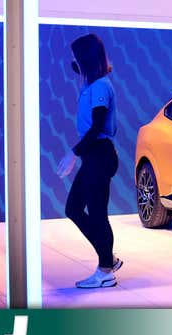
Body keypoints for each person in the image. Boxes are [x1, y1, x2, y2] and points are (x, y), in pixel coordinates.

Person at [57, 34, 122, 288]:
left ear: (85, 58)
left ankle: (106, 270)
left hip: (100, 154)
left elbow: (96, 126)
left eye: (76, 57)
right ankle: (109, 258)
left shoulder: (101, 87)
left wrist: (72, 153)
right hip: (93, 155)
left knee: (97, 214)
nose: (72, 61)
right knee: (73, 208)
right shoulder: (91, 85)